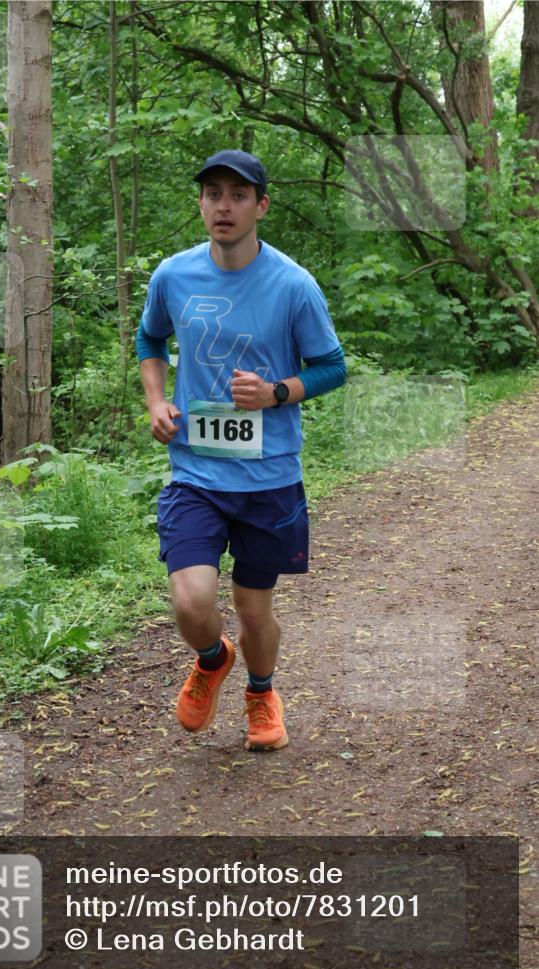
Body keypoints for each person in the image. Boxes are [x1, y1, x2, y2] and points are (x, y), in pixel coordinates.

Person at [136, 149, 346, 751]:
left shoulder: (292, 284)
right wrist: (155, 399)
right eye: (212, 194)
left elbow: (332, 367)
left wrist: (277, 392)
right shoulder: (173, 275)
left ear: (261, 205)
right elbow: (149, 337)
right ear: (201, 203)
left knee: (255, 611)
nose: (222, 206)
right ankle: (210, 660)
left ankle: (260, 693)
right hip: (195, 474)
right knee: (191, 600)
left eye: (237, 195)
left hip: (269, 477)